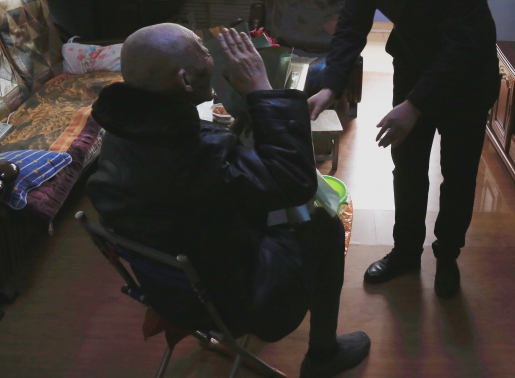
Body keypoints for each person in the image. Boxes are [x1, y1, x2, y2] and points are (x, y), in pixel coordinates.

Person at [86, 24, 370, 378]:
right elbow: (296, 182)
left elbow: (212, 180)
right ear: (185, 80)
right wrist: (261, 88)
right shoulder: (200, 156)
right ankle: (324, 356)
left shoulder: (119, 133)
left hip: (167, 290)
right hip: (231, 298)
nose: (212, 56)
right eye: (203, 52)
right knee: (325, 227)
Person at [308, 0, 500, 299]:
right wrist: (330, 84)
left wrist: (415, 105)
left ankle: (447, 256)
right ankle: (406, 253)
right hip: (414, 63)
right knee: (408, 166)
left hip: (467, 75)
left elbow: (463, 42)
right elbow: (353, 21)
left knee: (458, 173)